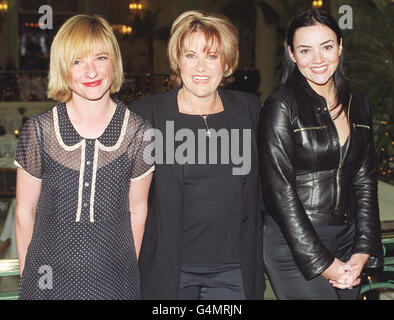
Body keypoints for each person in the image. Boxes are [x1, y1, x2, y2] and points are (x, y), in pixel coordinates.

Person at [14, 15, 154, 300]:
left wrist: (125, 272)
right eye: (77, 61)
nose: (91, 71)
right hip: (46, 283)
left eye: (100, 58)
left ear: (114, 63)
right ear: (62, 68)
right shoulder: (39, 131)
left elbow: (138, 212)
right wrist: (30, 280)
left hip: (114, 283)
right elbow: (23, 214)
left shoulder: (140, 134)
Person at [132, 10, 265, 300]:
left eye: (212, 56)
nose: (201, 67)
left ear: (227, 63)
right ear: (177, 61)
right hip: (170, 270)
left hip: (235, 270)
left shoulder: (249, 109)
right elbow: (127, 200)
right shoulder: (146, 115)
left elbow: (267, 189)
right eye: (191, 55)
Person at [258, 9, 383, 300]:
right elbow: (280, 193)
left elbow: (365, 182)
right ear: (291, 54)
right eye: (305, 50)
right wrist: (322, 262)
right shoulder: (281, 105)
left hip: (347, 241)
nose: (318, 60)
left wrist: (363, 248)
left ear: (340, 46)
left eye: (326, 47)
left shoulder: (358, 102)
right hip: (293, 243)